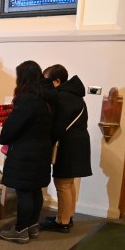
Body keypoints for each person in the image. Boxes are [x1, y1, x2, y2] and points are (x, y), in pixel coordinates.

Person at [0, 60, 55, 243]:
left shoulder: (26, 98)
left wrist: (4, 135)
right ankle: (32, 226)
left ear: (22, 77)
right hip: (42, 151)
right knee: (35, 190)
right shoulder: (46, 98)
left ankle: (20, 230)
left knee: (23, 192)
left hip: (26, 153)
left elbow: (13, 126)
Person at [40, 64, 92, 232]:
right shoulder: (75, 95)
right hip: (78, 143)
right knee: (69, 183)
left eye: (47, 81)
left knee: (62, 183)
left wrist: (46, 142)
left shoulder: (63, 97)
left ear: (57, 80)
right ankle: (68, 216)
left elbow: (58, 126)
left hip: (68, 144)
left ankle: (61, 222)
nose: (45, 84)